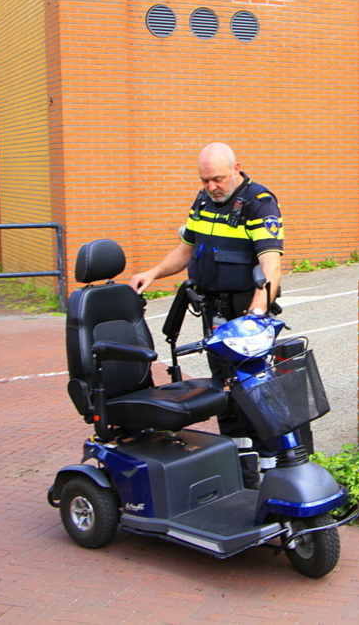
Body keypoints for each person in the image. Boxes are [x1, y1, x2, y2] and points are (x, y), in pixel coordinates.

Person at [131, 142, 284, 485]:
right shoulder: (202, 202)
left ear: (236, 168)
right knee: (225, 391)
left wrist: (257, 313)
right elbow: (187, 250)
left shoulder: (259, 204)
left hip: (246, 320)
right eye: (205, 180)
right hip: (214, 314)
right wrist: (152, 273)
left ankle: (271, 471)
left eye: (216, 179)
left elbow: (271, 266)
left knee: (255, 393)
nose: (211, 187)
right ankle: (238, 468)